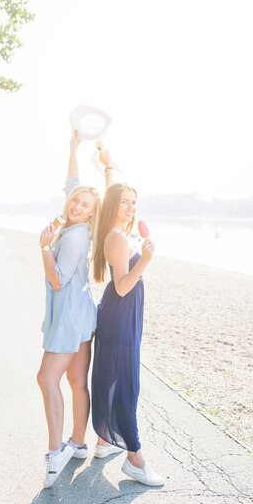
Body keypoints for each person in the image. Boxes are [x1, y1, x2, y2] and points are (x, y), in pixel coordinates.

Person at [91, 158, 164, 486]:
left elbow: (111, 194)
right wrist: (145, 260)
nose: (131, 207)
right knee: (126, 384)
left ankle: (105, 442)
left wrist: (109, 168)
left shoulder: (118, 233)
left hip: (122, 316)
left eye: (134, 203)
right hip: (120, 315)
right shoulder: (117, 238)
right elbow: (122, 286)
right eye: (125, 203)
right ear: (114, 207)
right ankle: (135, 459)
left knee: (115, 375)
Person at [37, 131, 101, 489]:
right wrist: (73, 149)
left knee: (47, 378)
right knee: (77, 382)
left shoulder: (75, 235)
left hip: (70, 316)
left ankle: (55, 452)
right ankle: (78, 444)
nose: (76, 206)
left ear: (92, 215)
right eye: (75, 202)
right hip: (81, 314)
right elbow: (72, 186)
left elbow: (58, 280)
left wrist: (45, 248)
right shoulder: (74, 220)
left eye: (84, 206)